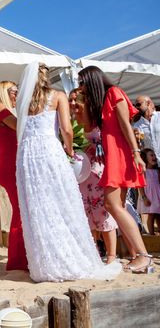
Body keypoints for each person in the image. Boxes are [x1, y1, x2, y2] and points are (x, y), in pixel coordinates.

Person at [16, 62, 121, 282]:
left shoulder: (22, 101)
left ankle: (45, 265)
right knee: (63, 202)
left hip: (27, 155)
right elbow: (66, 128)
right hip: (48, 150)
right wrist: (70, 149)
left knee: (38, 207)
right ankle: (70, 257)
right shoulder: (58, 96)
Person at [78, 65, 154, 274]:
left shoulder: (114, 93)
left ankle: (143, 255)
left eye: (82, 83)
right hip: (113, 156)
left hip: (121, 155)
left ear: (92, 80)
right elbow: (86, 127)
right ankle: (139, 255)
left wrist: (136, 153)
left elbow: (125, 125)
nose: (80, 87)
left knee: (112, 205)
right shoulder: (101, 101)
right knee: (117, 206)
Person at [71, 92, 119, 263]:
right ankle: (93, 254)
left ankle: (112, 255)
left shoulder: (100, 122)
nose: (73, 104)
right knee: (85, 214)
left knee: (103, 214)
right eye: (71, 101)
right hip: (81, 175)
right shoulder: (72, 123)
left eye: (76, 102)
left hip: (99, 172)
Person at [0, 81, 28, 271]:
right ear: (4, 92)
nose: (16, 95)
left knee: (21, 211)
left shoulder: (1, 110)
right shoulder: (1, 108)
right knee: (20, 212)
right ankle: (18, 261)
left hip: (11, 165)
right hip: (12, 167)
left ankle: (20, 259)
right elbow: (22, 127)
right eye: (14, 91)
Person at [138, 148, 160, 235]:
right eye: (151, 155)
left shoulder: (157, 171)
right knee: (151, 215)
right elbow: (140, 186)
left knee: (158, 215)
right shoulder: (144, 171)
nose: (154, 157)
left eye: (154, 155)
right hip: (149, 196)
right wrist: (144, 197)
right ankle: (151, 234)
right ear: (145, 158)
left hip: (157, 196)